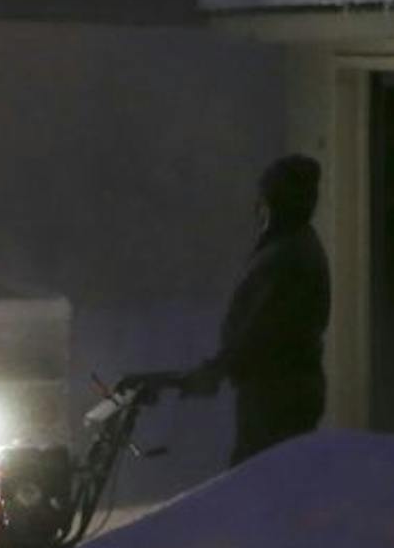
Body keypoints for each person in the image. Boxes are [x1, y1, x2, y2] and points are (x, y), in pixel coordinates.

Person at [134, 155, 332, 465]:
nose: (258, 209)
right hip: (280, 389)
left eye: (264, 199)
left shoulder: (286, 258)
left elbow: (262, 331)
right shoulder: (293, 247)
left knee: (259, 481)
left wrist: (218, 368)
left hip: (276, 394)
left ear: (275, 202)